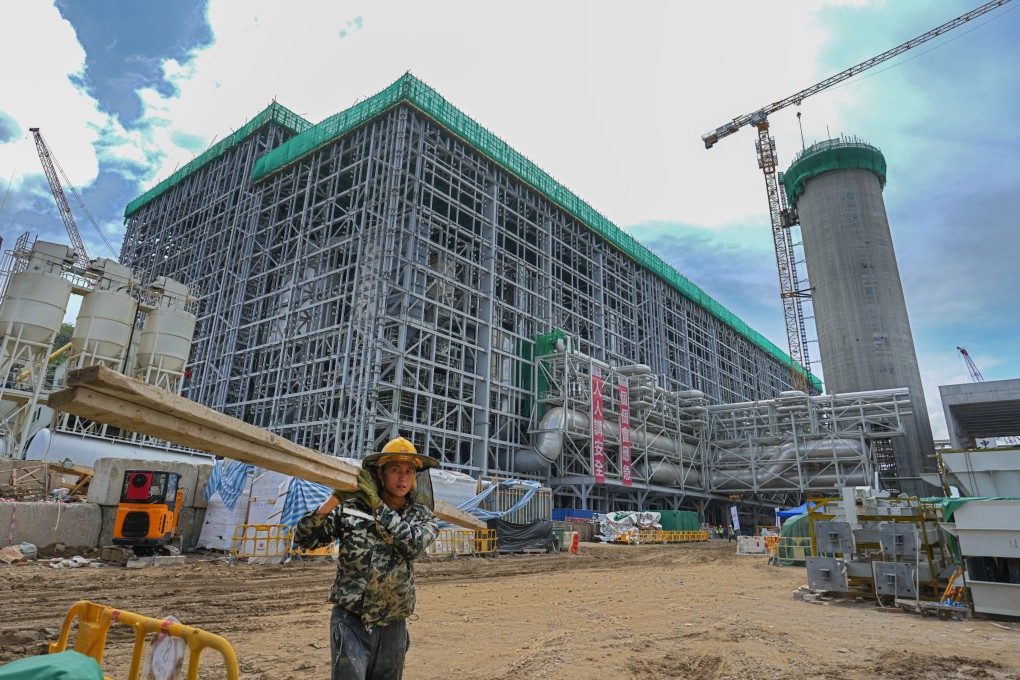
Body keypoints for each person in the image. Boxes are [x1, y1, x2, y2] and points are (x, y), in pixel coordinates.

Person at [294, 436, 440, 680]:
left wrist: (377, 505)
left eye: (409, 471)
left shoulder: (422, 517)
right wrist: (334, 500)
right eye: (395, 470)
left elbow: (412, 545)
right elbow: (305, 539)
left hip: (393, 623)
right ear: (380, 473)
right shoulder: (352, 509)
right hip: (351, 619)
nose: (403, 478)